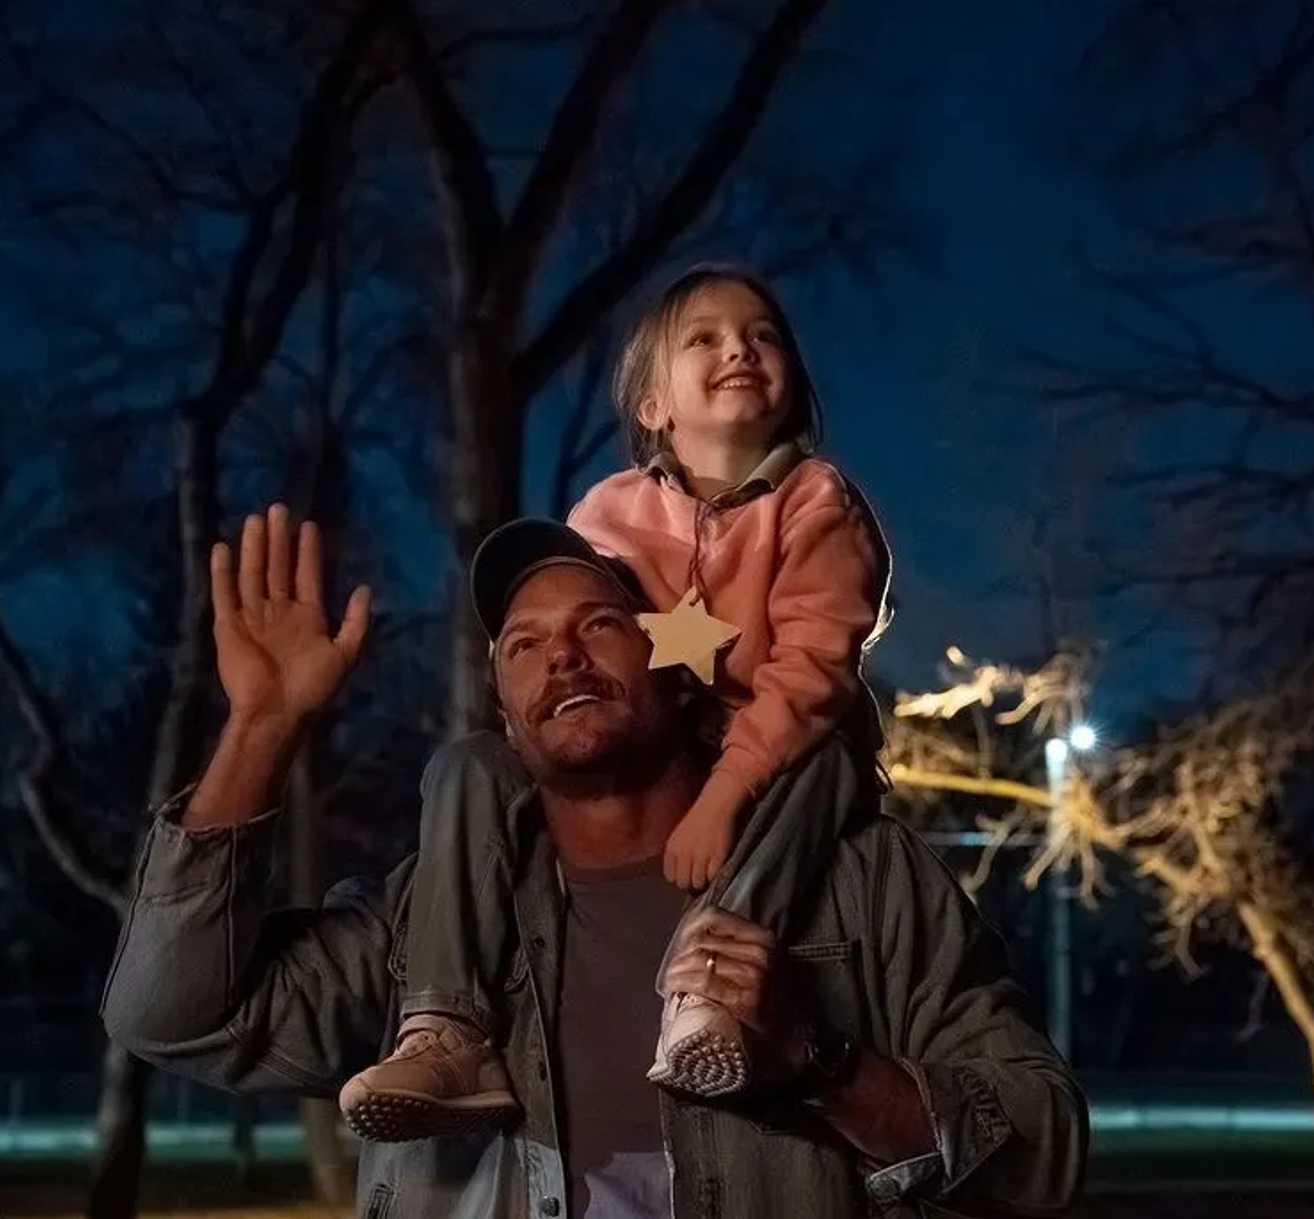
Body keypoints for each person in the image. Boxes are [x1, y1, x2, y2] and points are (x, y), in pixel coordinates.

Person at [101, 505, 1087, 1218]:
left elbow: (1042, 1149)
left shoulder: (858, 879)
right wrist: (264, 727)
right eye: (522, 644)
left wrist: (815, 1058)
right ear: (506, 715)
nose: (560, 655)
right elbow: (170, 1012)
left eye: (599, 625)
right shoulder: (429, 917)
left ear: (678, 666)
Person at [342, 264, 893, 1140]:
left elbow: (813, 667)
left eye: (762, 334)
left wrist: (724, 793)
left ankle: (708, 985)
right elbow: (572, 638)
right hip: (660, 743)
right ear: (652, 407)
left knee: (826, 760)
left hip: (784, 749)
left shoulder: (815, 503)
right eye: (703, 338)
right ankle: (447, 1027)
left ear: (791, 383)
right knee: (466, 765)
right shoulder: (608, 512)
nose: (738, 348)